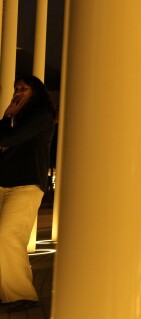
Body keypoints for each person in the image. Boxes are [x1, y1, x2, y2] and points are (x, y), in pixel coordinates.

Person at [0, 75, 56, 313]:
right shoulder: (16, 119)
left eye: (23, 88)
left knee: (7, 236)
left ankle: (22, 294)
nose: (18, 92)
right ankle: (8, 293)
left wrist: (6, 130)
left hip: (27, 185)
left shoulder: (41, 116)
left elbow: (7, 140)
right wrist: (6, 117)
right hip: (4, 184)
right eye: (16, 89)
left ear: (36, 92)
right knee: (6, 240)